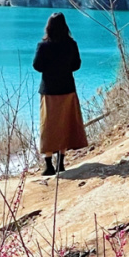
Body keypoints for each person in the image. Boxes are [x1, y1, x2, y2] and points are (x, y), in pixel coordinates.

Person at [32, 12, 87, 176]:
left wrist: (50, 69)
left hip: (49, 90)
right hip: (67, 89)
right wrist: (64, 68)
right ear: (65, 27)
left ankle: (48, 165)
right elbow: (76, 65)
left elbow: (37, 66)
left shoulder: (43, 46)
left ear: (48, 27)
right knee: (64, 123)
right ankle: (61, 163)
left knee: (48, 125)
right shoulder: (71, 44)